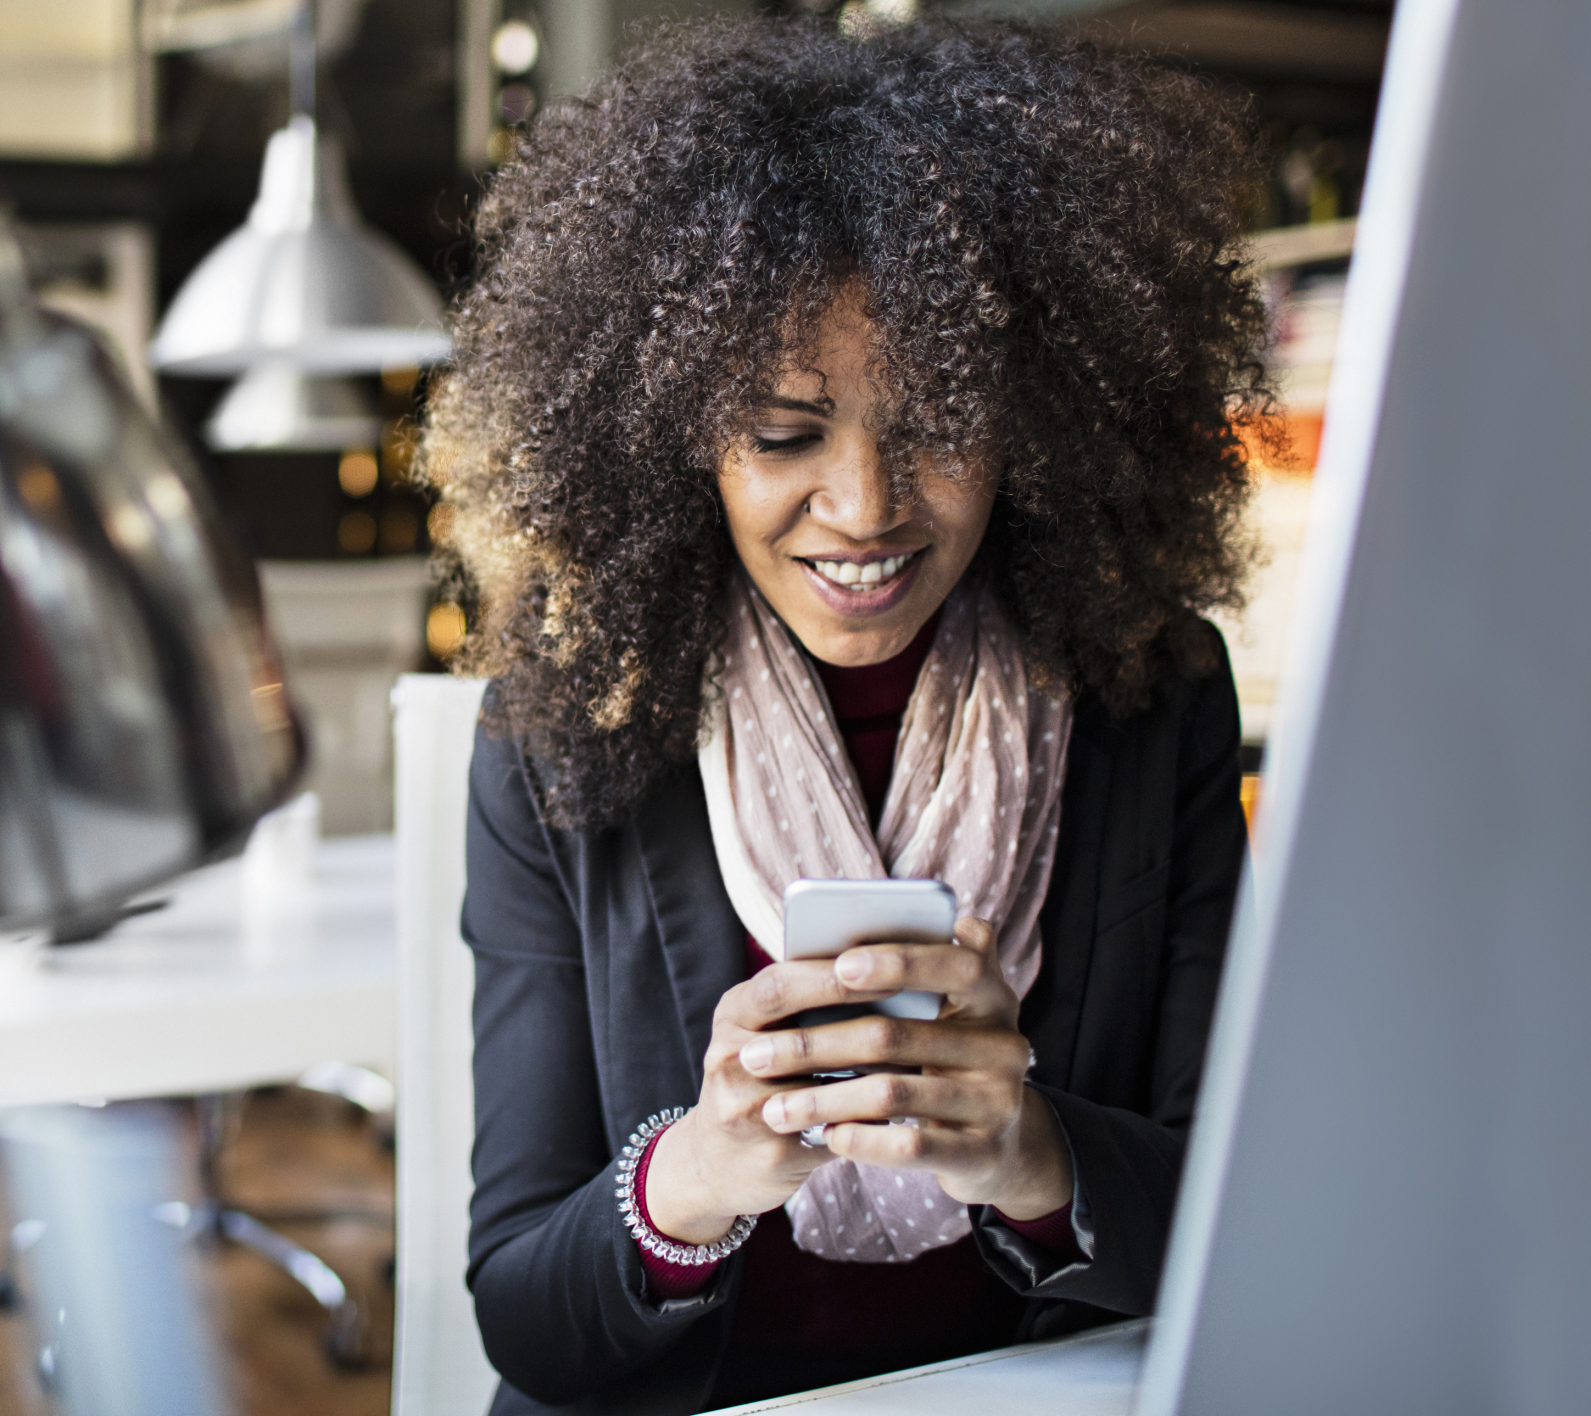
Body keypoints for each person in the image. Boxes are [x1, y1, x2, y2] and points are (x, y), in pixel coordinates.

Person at [418, 16, 1264, 1414]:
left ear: (1041, 416)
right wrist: (700, 1172)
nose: (864, 510)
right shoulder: (559, 730)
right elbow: (527, 1317)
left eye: (938, 421)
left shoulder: (1146, 690)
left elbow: (1235, 1225)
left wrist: (1030, 1156)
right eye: (781, 433)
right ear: (678, 429)